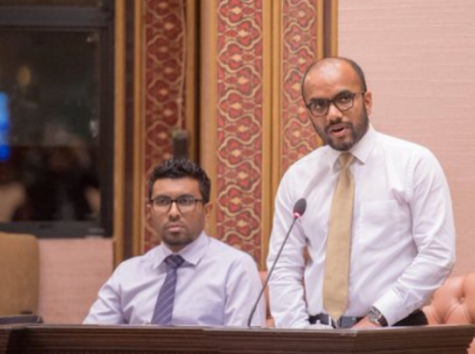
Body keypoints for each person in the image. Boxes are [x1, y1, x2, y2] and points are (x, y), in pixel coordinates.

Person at [267, 57, 456, 329]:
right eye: (319, 105)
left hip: (394, 330)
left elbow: (437, 255)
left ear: (367, 101)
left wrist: (377, 318)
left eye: (344, 99)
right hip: (318, 335)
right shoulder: (297, 178)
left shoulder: (413, 164)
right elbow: (283, 265)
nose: (333, 114)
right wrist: (299, 334)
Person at [84, 158, 265, 326]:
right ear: (150, 211)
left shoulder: (235, 268)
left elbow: (244, 343)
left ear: (207, 210)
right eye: (162, 201)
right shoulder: (127, 274)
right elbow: (90, 338)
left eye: (185, 201)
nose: (173, 212)